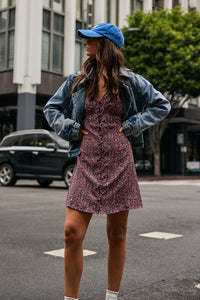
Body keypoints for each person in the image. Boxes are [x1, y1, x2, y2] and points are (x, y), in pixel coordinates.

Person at [43, 23, 171, 300]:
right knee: (71, 232)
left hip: (120, 161)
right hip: (86, 161)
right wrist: (70, 129)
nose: (85, 43)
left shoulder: (130, 81)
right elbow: (51, 108)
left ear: (106, 45)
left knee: (116, 234)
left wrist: (135, 124)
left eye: (91, 39)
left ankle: (111, 296)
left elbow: (162, 104)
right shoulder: (76, 81)